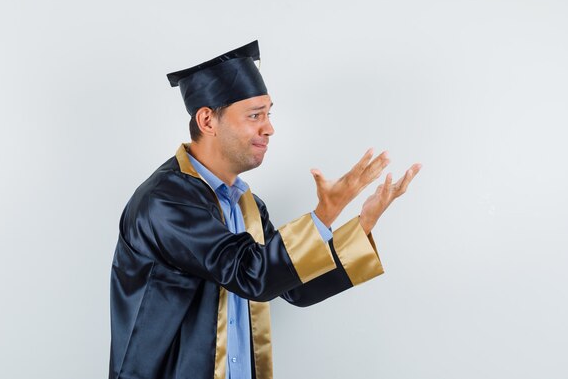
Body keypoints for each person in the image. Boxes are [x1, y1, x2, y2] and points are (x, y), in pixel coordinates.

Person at [109, 40, 421, 379]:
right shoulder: (166, 200)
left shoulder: (248, 206)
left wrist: (363, 223)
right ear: (207, 121)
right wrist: (325, 213)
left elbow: (292, 285)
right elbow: (251, 273)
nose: (269, 127)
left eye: (268, 114)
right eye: (255, 115)